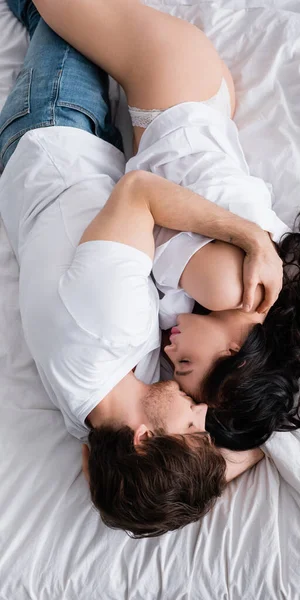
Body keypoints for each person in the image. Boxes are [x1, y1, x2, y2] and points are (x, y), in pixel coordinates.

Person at [33, 0, 300, 453]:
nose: (171, 356)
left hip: (202, 104)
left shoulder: (253, 300)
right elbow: (141, 208)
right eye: (187, 365)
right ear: (234, 350)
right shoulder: (222, 289)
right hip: (167, 87)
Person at [0, 1, 269, 538]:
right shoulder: (92, 418)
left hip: (58, 124)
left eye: (193, 428)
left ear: (145, 437)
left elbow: (139, 192)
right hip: (50, 170)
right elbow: (239, 456)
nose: (202, 412)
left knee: (51, 12)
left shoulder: (108, 328)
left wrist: (250, 236)